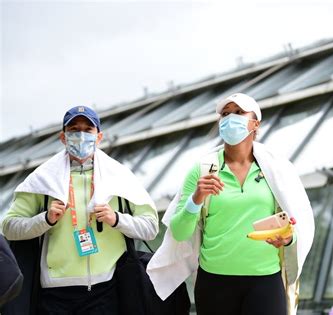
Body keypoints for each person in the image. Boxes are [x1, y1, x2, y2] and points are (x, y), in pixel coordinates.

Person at [147, 93, 315, 315]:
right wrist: (196, 198)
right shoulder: (202, 170)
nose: (230, 118)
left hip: (265, 280)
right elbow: (179, 232)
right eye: (225, 114)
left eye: (238, 112)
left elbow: (299, 220)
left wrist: (288, 237)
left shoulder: (277, 169)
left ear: (255, 124)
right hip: (215, 282)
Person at [2, 106, 159, 314]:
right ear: (63, 137)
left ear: (99, 136)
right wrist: (45, 219)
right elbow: (9, 227)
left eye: (88, 130)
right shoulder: (42, 179)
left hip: (107, 287)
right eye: (74, 129)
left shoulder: (120, 177)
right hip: (55, 292)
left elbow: (150, 228)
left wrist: (117, 219)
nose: (81, 136)